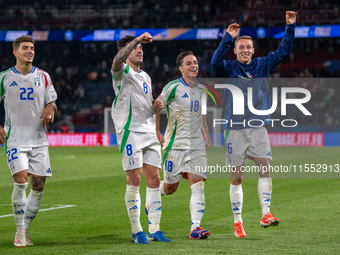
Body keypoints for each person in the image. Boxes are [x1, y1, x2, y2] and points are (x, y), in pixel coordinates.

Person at [211, 11, 297, 237]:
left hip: (258, 126)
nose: (246, 50)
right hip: (235, 129)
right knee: (236, 177)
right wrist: (227, 38)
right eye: (241, 47)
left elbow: (284, 51)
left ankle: (266, 213)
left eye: (249, 47)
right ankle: (238, 221)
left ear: (253, 50)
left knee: (265, 168)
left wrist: (289, 26)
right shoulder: (228, 69)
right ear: (236, 50)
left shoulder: (262, 64)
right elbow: (214, 62)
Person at [111, 33, 171, 244]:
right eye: (135, 48)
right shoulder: (121, 71)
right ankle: (136, 230)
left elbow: (149, 104)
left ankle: (154, 229)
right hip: (131, 131)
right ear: (126, 50)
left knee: (154, 178)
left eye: (141, 48)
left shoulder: (145, 76)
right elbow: (117, 60)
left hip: (148, 132)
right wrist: (136, 40)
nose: (139, 50)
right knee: (135, 177)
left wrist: (157, 112)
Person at [0, 35, 57, 247]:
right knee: (21, 180)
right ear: (15, 52)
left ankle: (25, 227)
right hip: (15, 139)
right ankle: (20, 231)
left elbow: (52, 102)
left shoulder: (43, 76)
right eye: (25, 48)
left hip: (39, 139)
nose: (30, 51)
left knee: (39, 185)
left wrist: (50, 107)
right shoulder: (4, 77)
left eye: (32, 48)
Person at [153, 51, 212, 239]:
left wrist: (207, 134)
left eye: (195, 62)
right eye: (189, 63)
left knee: (199, 184)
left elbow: (201, 113)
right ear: (181, 68)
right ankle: (151, 200)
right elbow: (157, 105)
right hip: (175, 145)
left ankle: (195, 227)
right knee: (171, 188)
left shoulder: (202, 89)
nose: (194, 65)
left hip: (197, 145)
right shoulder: (172, 87)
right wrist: (157, 131)